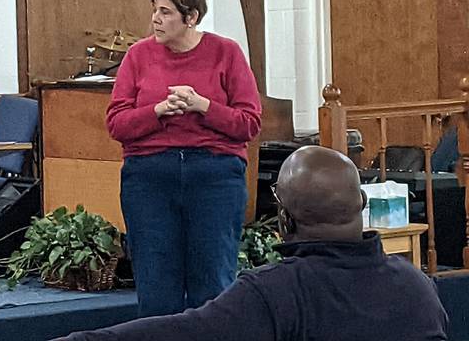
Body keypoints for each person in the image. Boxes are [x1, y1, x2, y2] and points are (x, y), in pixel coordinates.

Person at [53, 146, 448, 341]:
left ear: (284, 218)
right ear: (361, 204)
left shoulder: (275, 293)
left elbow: (180, 334)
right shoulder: (418, 286)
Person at [105, 0, 262, 317]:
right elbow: (116, 123)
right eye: (155, 11)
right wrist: (157, 110)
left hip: (214, 178)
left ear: (190, 17)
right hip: (149, 179)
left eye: (165, 13)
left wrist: (202, 106)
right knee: (156, 284)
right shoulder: (138, 56)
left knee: (213, 282)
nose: (155, 20)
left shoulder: (226, 53)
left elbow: (249, 124)